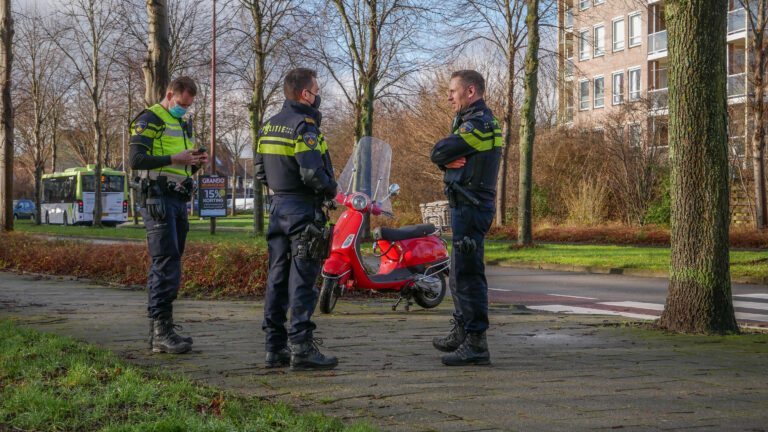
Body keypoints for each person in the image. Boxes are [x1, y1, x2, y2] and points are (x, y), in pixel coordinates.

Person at [254, 68, 339, 371]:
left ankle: (274, 348)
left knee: (277, 279)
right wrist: (331, 188)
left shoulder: (268, 127)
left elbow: (261, 173)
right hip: (303, 213)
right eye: (317, 90)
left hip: (277, 210)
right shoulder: (305, 127)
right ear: (306, 94)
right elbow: (311, 172)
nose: (318, 96)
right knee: (303, 280)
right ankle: (301, 347)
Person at [129, 76, 207, 354]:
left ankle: (165, 330)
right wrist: (177, 159)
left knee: (172, 260)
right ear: (170, 93)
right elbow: (136, 160)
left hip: (176, 197)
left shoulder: (181, 124)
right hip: (156, 197)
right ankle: (159, 332)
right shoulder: (150, 118)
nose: (184, 109)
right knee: (164, 261)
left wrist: (195, 163)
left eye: (188, 106)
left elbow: (182, 165)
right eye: (182, 103)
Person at [430, 70, 502, 366]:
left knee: (469, 275)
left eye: (452, 91)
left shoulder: (479, 124)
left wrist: (444, 157)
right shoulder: (469, 122)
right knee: (459, 274)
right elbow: (447, 157)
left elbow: (440, 150)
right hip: (466, 205)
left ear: (470, 91)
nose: (449, 97)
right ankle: (462, 330)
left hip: (472, 207)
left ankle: (476, 343)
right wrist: (446, 162)